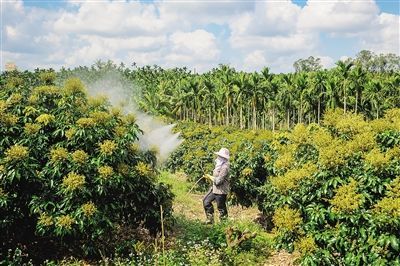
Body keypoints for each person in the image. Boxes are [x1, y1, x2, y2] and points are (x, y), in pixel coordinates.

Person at [203, 147, 230, 224]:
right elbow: (215, 179)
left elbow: (218, 181)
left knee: (221, 207)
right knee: (206, 201)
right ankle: (210, 219)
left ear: (224, 158)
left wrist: (209, 177)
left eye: (220, 157)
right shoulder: (218, 165)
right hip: (214, 189)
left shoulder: (225, 167)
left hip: (221, 191)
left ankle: (224, 223)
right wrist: (209, 178)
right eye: (219, 156)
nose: (218, 158)